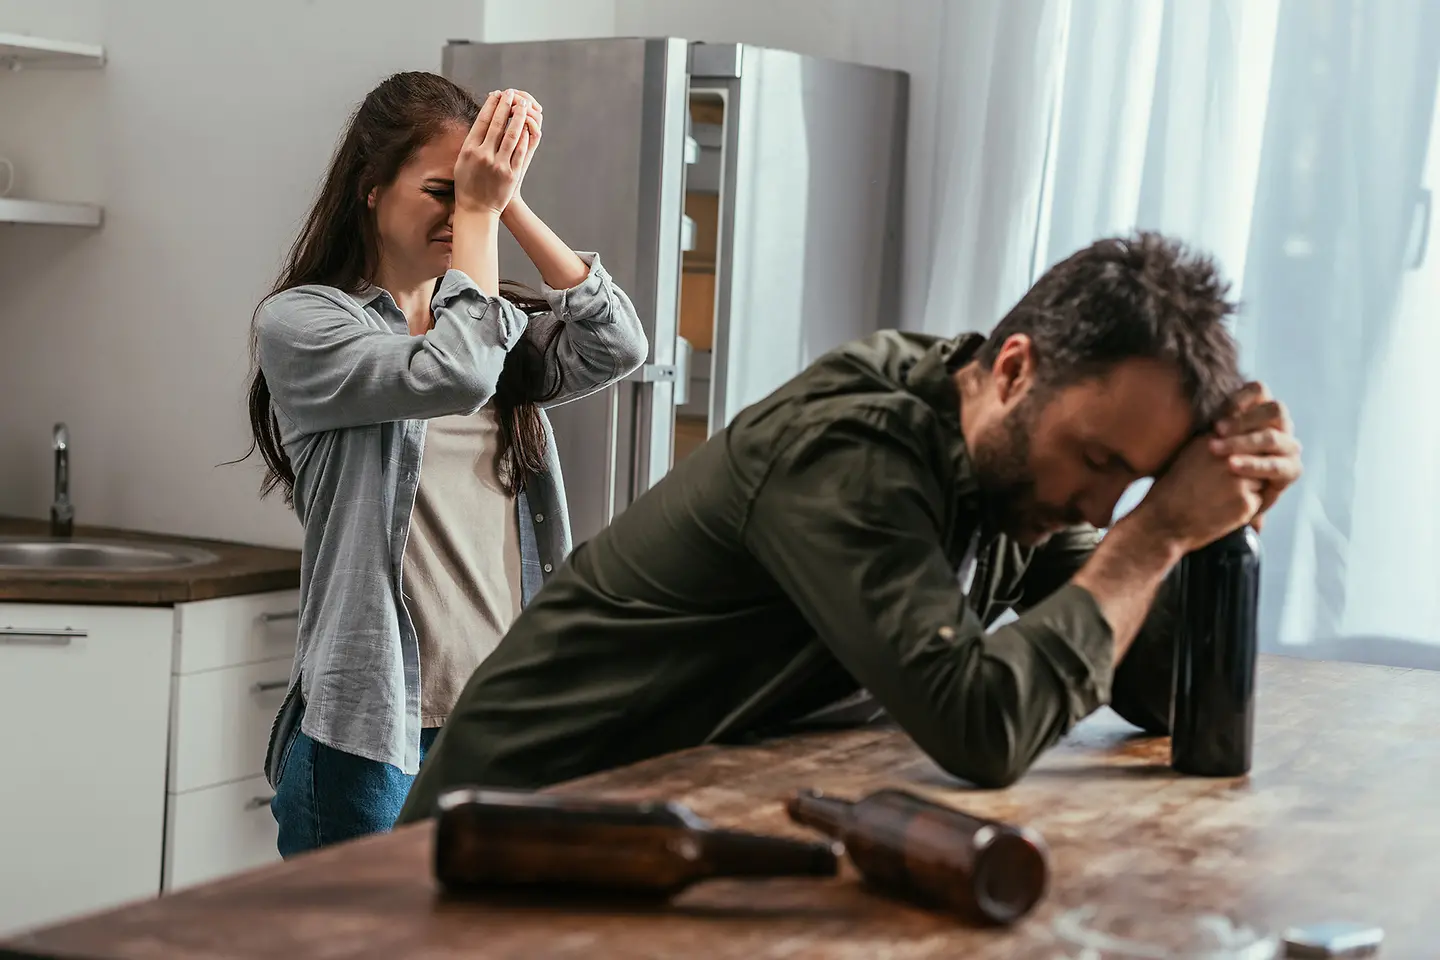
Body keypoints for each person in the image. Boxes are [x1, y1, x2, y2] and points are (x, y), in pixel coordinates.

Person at [396, 231, 1303, 823]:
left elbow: (1155, 692)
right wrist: (1152, 538)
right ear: (1017, 370)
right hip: (499, 832)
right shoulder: (859, 450)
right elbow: (980, 726)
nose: (1104, 510)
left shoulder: (1016, 478)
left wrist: (1216, 520)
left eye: (1138, 482)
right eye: (1103, 463)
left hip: (649, 828)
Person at [240, 73, 647, 856]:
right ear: (370, 190)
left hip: (497, 725)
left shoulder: (496, 328)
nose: (459, 211)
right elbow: (454, 373)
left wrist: (507, 200)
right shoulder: (308, 324)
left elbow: (620, 345)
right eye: (440, 190)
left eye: (470, 190)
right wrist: (482, 213)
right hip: (371, 740)